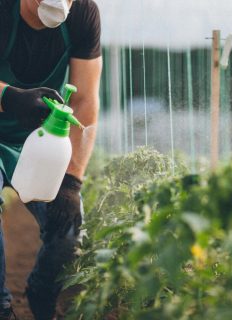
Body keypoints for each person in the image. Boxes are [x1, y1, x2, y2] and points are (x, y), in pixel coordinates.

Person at [0, 0, 102, 319]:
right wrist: (11, 98)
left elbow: (85, 99)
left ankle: (43, 291)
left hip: (40, 142)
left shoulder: (84, 14)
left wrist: (71, 182)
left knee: (67, 228)